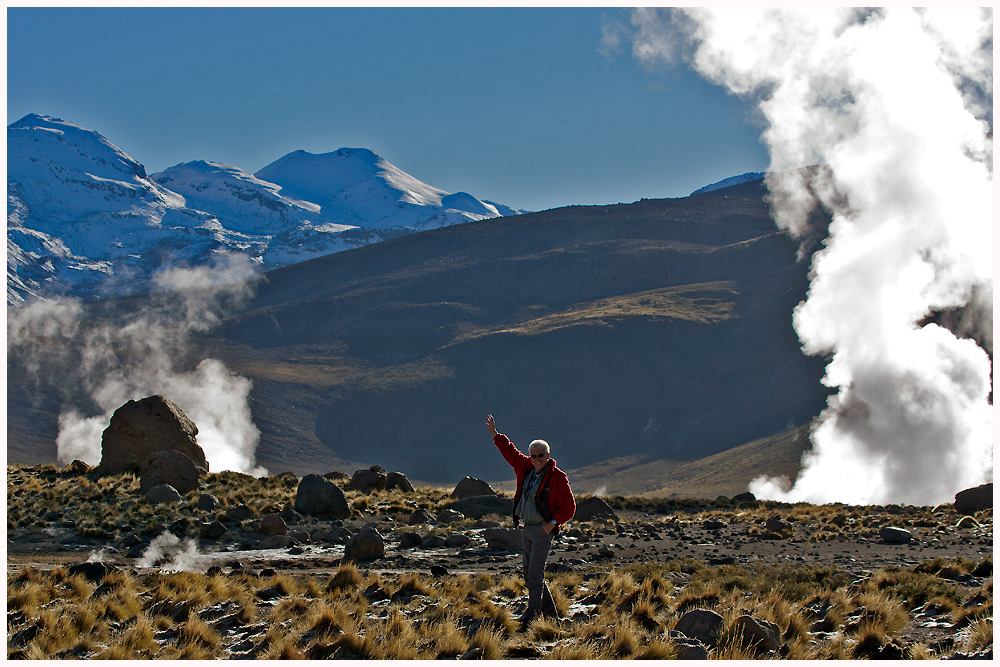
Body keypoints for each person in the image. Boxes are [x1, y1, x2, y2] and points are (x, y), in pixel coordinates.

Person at [486, 413, 575, 628]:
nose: (537, 459)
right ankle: (551, 615)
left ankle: (532, 613)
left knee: (535, 574)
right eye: (534, 455)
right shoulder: (525, 468)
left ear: (548, 455)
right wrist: (495, 435)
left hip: (543, 531)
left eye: (541, 455)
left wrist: (553, 523)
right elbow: (510, 452)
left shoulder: (557, 477)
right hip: (526, 528)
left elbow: (569, 507)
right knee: (529, 573)